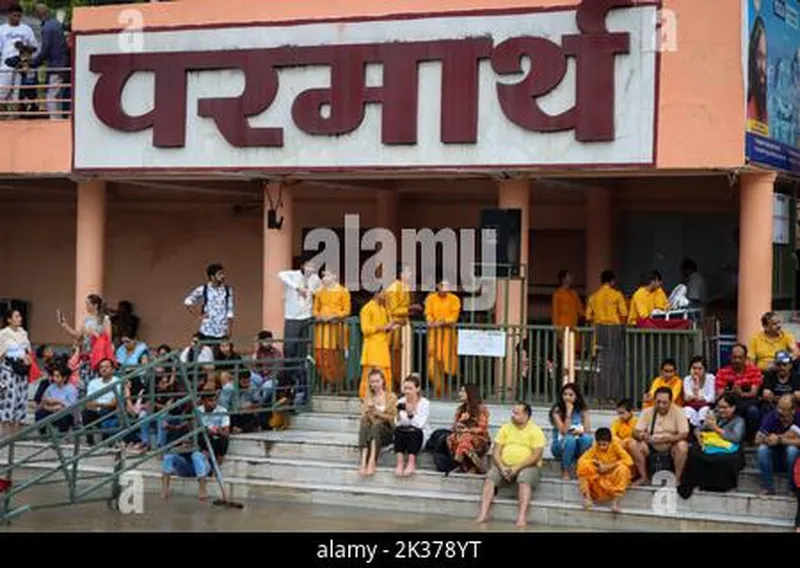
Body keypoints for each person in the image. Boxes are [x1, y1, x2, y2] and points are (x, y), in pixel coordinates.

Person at [475, 401, 545, 528]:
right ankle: (483, 513)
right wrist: (501, 467)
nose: (513, 415)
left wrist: (516, 468)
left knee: (524, 478)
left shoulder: (536, 431)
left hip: (528, 467)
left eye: (517, 413)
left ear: (526, 415)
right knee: (490, 477)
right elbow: (496, 450)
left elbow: (536, 455)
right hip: (504, 465)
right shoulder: (506, 428)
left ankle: (522, 516)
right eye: (513, 412)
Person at [678, 394, 745, 497]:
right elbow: (699, 428)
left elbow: (736, 438)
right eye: (719, 407)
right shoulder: (715, 417)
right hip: (712, 446)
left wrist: (717, 429)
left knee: (725, 460)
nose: (721, 410)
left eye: (725, 407)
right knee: (694, 452)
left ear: (733, 407)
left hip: (729, 449)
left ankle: (721, 486)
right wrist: (698, 433)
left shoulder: (739, 421)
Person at [629, 386, 690, 486]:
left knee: (682, 446)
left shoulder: (679, 411)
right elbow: (635, 432)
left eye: (665, 403)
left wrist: (668, 439)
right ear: (654, 401)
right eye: (658, 402)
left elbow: (684, 434)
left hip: (670, 445)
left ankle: (677, 479)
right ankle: (644, 477)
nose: (661, 405)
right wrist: (642, 436)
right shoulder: (647, 412)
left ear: (671, 401)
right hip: (650, 445)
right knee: (632, 444)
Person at [585, 270, 628, 402]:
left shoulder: (593, 297)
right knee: (613, 365)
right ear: (612, 281)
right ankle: (612, 396)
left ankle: (600, 396)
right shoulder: (617, 295)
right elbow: (624, 313)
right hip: (613, 331)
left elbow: (587, 316)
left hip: (598, 331)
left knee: (600, 365)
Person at [576, 427, 633, 512]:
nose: (601, 447)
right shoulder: (595, 448)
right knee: (584, 466)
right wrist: (595, 462)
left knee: (624, 469)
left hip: (613, 477)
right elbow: (581, 460)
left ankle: (615, 503)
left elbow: (629, 461)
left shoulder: (616, 446)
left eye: (604, 444)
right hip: (600, 477)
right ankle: (587, 498)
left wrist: (608, 467)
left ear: (610, 442)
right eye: (599, 444)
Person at [715, 343, 763, 442]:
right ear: (730, 357)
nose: (737, 360)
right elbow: (719, 394)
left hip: (748, 402)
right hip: (730, 402)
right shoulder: (722, 372)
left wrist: (740, 393)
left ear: (745, 358)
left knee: (753, 411)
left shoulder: (754, 371)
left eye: (740, 357)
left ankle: (750, 440)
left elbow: (754, 393)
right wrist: (733, 391)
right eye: (734, 357)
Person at [385, 264, 422, 388]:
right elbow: (393, 310)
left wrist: (410, 309)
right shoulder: (393, 288)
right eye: (408, 271)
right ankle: (394, 384)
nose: (410, 274)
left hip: (404, 325)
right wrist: (410, 308)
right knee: (395, 357)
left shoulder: (405, 287)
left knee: (404, 358)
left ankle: (402, 384)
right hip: (395, 326)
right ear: (401, 274)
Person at [312, 270, 351, 386]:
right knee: (320, 356)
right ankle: (327, 381)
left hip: (337, 329)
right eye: (323, 276)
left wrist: (333, 316)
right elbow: (315, 309)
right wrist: (319, 316)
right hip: (322, 330)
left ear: (335, 276)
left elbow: (346, 311)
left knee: (336, 357)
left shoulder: (343, 291)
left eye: (327, 275)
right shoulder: (319, 292)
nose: (324, 278)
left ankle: (337, 383)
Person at [755, 394, 800, 495]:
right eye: (779, 407)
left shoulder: (799, 417)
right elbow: (757, 439)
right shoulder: (772, 416)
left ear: (793, 410)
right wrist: (768, 439)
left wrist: (780, 439)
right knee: (762, 449)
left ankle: (793, 487)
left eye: (784, 409)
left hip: (794, 460)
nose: (780, 411)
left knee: (792, 450)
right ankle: (768, 486)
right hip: (775, 457)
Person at [30, 4, 68, 119]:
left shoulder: (47, 28)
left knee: (51, 96)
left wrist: (33, 63)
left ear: (39, 14)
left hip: (55, 66)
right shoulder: (57, 24)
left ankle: (55, 122)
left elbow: (45, 50)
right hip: (63, 64)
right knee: (59, 96)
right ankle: (59, 121)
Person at [424, 281, 461, 398]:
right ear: (437, 286)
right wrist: (430, 321)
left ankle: (447, 391)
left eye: (448, 286)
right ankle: (439, 390)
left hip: (448, 335)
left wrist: (443, 321)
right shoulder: (431, 299)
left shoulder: (454, 299)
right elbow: (428, 313)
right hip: (434, 335)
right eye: (443, 286)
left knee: (448, 365)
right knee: (432, 366)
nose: (445, 289)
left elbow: (454, 317)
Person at [358, 368, 397, 476]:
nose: (374, 384)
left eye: (377, 381)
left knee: (376, 425)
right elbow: (364, 416)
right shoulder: (368, 398)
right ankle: (363, 461)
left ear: (383, 381)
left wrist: (378, 413)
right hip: (370, 428)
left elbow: (392, 418)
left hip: (386, 430)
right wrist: (370, 413)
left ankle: (372, 461)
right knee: (365, 423)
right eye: (372, 382)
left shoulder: (391, 397)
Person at [549, 383, 593, 480]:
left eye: (571, 395)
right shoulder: (557, 410)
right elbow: (564, 431)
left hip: (577, 444)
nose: (567, 397)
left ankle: (582, 467)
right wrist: (568, 413)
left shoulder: (583, 410)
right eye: (565, 394)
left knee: (587, 439)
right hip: (560, 445)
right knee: (570, 439)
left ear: (576, 397)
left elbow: (587, 431)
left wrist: (579, 432)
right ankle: (565, 470)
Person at [358, 291, 397, 399]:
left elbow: (385, 328)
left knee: (386, 374)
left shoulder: (384, 309)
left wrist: (389, 328)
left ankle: (385, 398)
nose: (386, 295)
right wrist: (382, 327)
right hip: (372, 348)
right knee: (371, 374)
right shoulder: (367, 308)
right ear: (377, 293)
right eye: (384, 293)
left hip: (383, 347)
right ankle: (366, 399)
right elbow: (365, 330)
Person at [0, 308, 33, 433]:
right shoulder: (3, 334)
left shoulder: (23, 333)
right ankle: (5, 434)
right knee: (8, 399)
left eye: (20, 316)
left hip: (22, 369)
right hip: (8, 370)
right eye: (16, 316)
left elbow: (28, 350)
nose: (20, 318)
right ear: (9, 319)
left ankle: (16, 432)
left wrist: (28, 359)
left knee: (21, 398)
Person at [0, 4, 38, 108]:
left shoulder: (26, 29)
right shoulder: (2, 29)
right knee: (3, 90)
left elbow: (34, 47)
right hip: (6, 64)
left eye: (19, 16)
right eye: (14, 15)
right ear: (9, 15)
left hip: (21, 64)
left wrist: (24, 47)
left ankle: (15, 117)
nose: (16, 18)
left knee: (17, 93)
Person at [447, 384, 490, 473]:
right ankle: (464, 466)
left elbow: (482, 428)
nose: (460, 394)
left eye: (463, 391)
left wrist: (468, 430)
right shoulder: (460, 409)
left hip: (479, 438)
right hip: (463, 435)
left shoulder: (481, 409)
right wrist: (461, 421)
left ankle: (477, 467)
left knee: (465, 439)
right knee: (450, 438)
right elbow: (453, 427)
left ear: (470, 394)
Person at [184, 263, 234, 341]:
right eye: (220, 274)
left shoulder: (227, 290)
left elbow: (230, 311)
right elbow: (188, 301)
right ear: (212, 277)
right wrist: (198, 315)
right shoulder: (204, 289)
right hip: (206, 330)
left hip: (222, 330)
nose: (223, 276)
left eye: (223, 273)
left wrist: (230, 329)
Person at [394, 374, 430, 477]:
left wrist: (410, 415)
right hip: (404, 433)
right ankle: (400, 463)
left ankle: (411, 463)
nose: (407, 391)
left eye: (410, 388)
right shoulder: (401, 402)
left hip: (419, 434)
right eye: (405, 388)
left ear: (417, 389)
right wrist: (399, 415)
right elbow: (398, 423)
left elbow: (420, 424)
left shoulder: (424, 403)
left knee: (414, 431)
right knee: (399, 430)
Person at [35, 362, 78, 434]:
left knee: (63, 415)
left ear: (64, 378)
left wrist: (58, 401)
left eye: (57, 376)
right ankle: (43, 434)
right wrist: (52, 407)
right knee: (40, 413)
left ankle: (63, 435)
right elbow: (44, 400)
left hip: (66, 413)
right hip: (51, 410)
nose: (54, 378)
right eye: (54, 376)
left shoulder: (71, 389)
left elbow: (71, 406)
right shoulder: (51, 387)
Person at [682, 356, 715, 427]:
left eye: (700, 368)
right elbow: (687, 398)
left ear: (705, 370)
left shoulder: (711, 378)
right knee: (686, 411)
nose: (696, 371)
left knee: (704, 411)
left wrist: (699, 397)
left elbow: (712, 398)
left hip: (707, 406)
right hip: (691, 406)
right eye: (694, 368)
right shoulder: (687, 379)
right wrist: (696, 384)